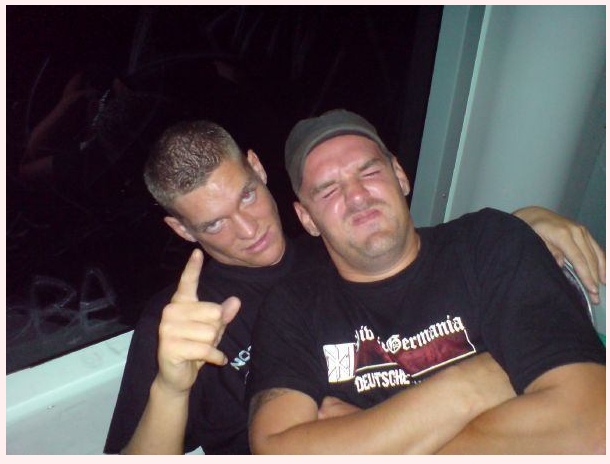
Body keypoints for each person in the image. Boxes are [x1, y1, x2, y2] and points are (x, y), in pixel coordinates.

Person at [104, 118, 605, 455]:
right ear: (182, 230)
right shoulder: (179, 322)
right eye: (214, 224)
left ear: (257, 168)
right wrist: (171, 388)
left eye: (248, 196)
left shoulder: (331, 251)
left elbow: (420, 253)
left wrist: (522, 226)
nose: (248, 228)